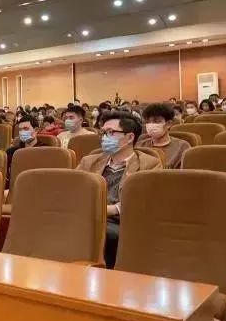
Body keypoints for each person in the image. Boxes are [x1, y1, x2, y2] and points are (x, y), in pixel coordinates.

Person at [77, 111, 161, 268]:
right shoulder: (89, 161)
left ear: (130, 137)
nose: (104, 137)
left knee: (104, 234)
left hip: (123, 222)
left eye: (110, 132)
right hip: (88, 217)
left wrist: (112, 209)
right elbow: (73, 191)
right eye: (103, 133)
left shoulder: (150, 164)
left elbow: (148, 201)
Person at [137, 103, 190, 169]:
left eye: (156, 121)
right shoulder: (140, 146)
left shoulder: (182, 147)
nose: (151, 125)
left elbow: (186, 173)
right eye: (148, 122)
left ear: (168, 124)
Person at [6, 115, 51, 184]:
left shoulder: (47, 150)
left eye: (26, 129)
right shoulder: (12, 152)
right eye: (20, 130)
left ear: (36, 130)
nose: (22, 132)